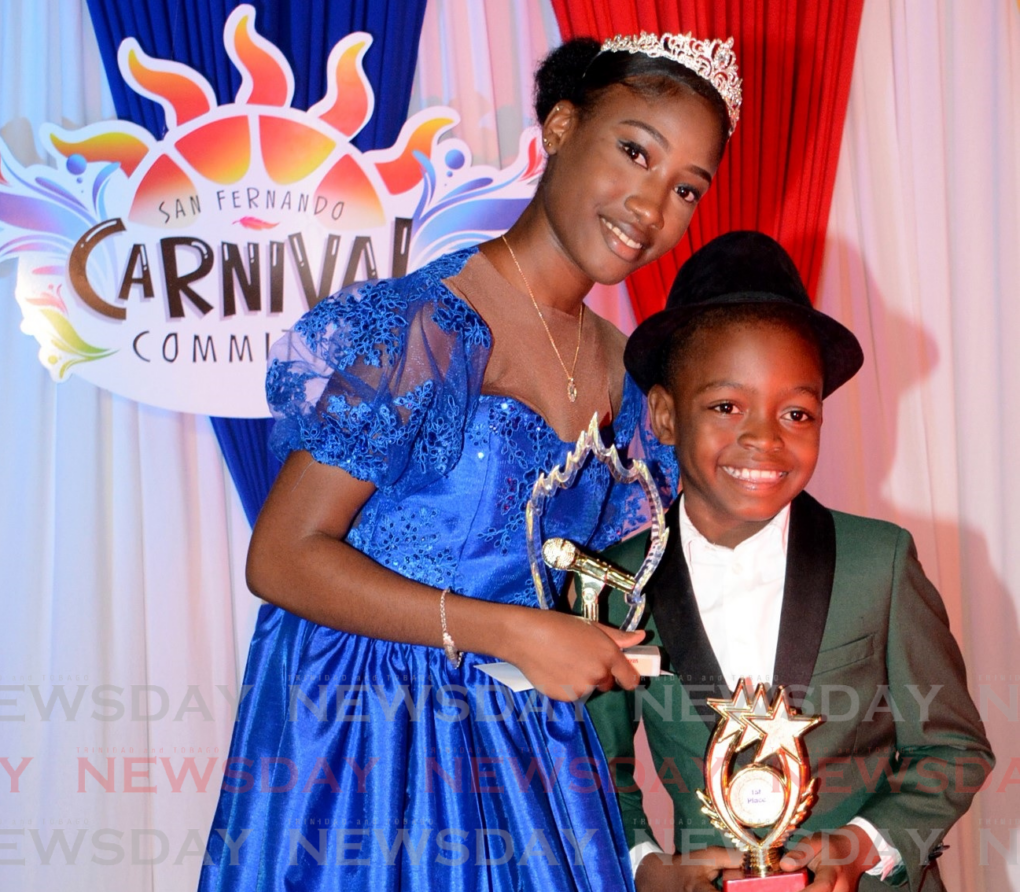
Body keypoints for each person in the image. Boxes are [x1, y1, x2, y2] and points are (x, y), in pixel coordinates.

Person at [197, 32, 742, 892]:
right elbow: (282, 556)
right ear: (560, 127)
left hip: (526, 749)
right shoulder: (419, 329)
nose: (651, 205)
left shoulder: (630, 372)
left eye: (685, 188)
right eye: (633, 151)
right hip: (365, 740)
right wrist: (513, 631)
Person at [583, 230, 995, 891]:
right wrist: (646, 865)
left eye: (797, 412)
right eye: (726, 405)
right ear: (663, 415)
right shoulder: (613, 582)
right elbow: (592, 764)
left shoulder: (879, 561)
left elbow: (954, 749)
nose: (764, 438)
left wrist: (866, 844)